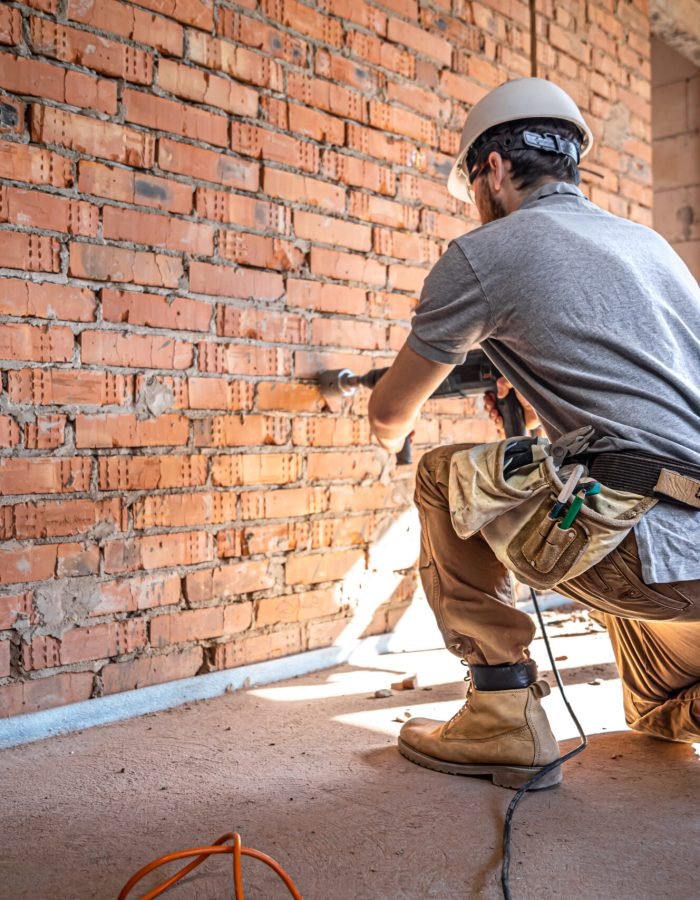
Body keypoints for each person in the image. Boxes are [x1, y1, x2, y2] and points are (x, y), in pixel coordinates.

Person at [367, 77, 700, 790]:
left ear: (492, 170)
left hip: (645, 553)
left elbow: (390, 413)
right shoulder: (650, 247)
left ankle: (502, 714)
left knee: (443, 476)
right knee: (657, 709)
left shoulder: (485, 252)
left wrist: (391, 431)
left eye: (475, 187)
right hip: (690, 548)